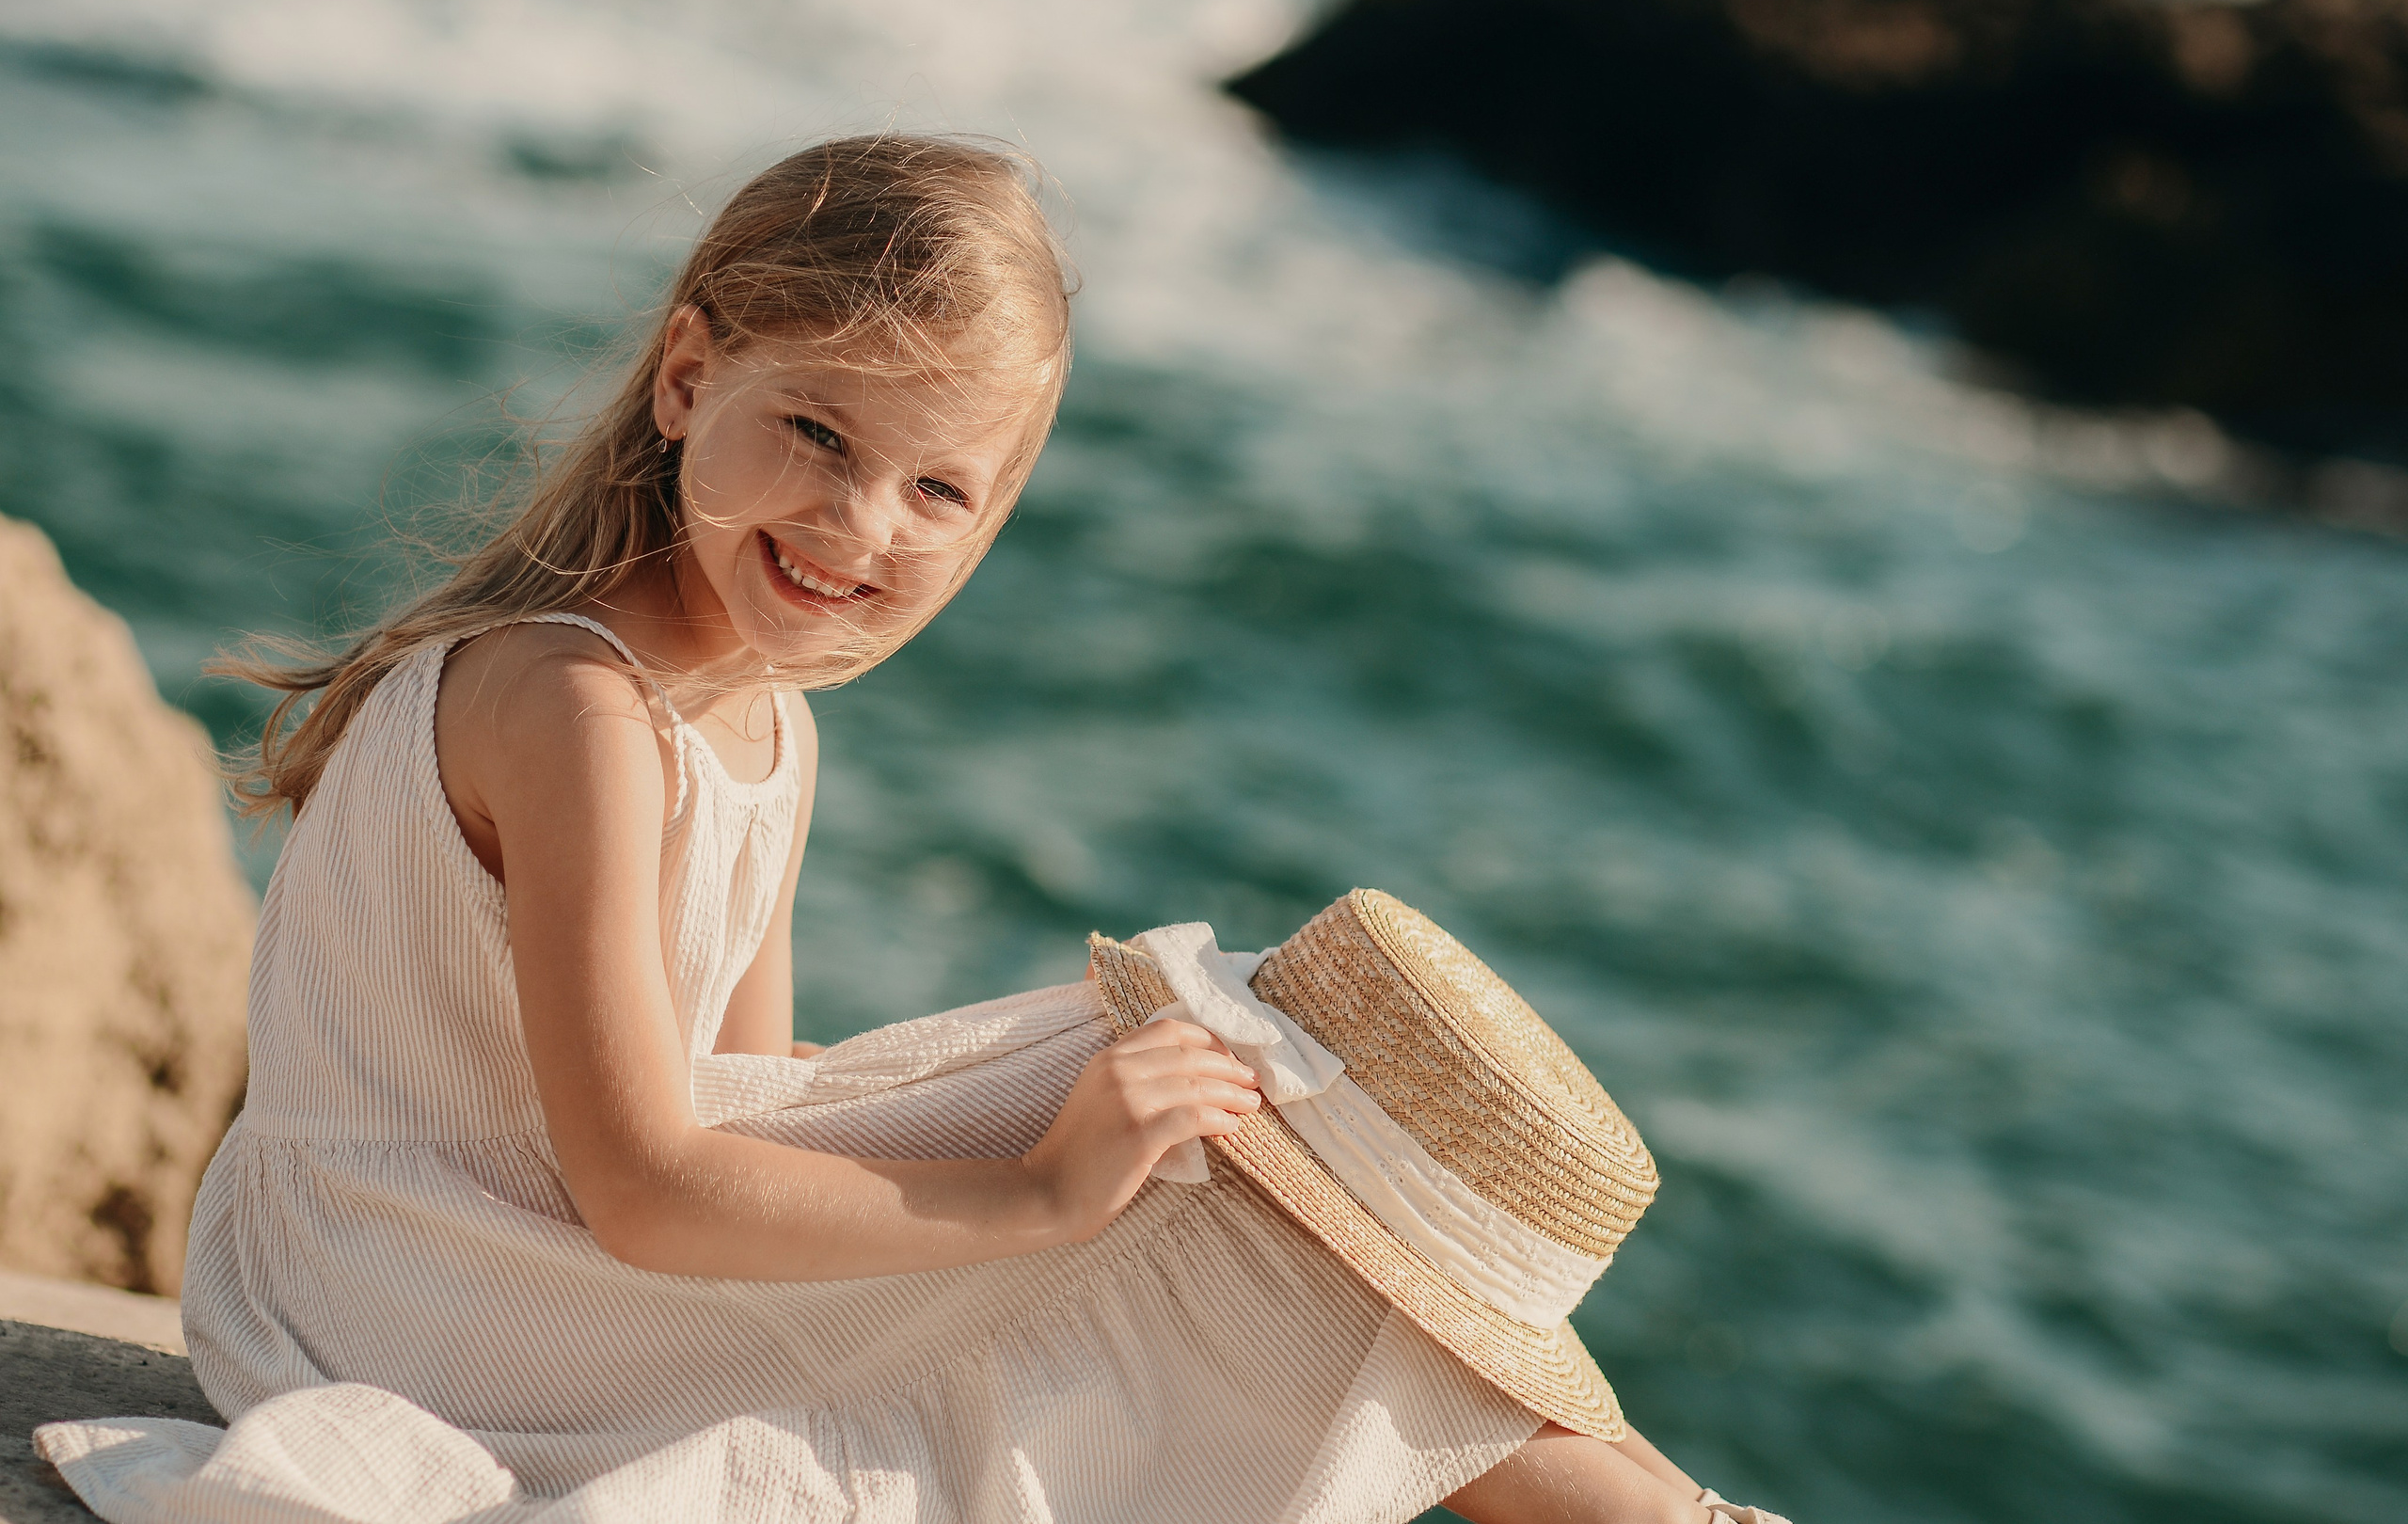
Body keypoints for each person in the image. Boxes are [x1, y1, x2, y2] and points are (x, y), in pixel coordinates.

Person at [40, 135, 1777, 1524]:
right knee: (1223, 1156)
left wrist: (1056, 1175)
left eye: (940, 488)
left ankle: (1656, 1510)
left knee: (1234, 1136)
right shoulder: (577, 709)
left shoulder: (770, 727)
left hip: (529, 1262)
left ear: (998, 510)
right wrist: (1035, 1187)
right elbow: (649, 1184)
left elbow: (760, 1107)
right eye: (816, 430)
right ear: (684, 375)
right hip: (400, 1297)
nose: (860, 524)